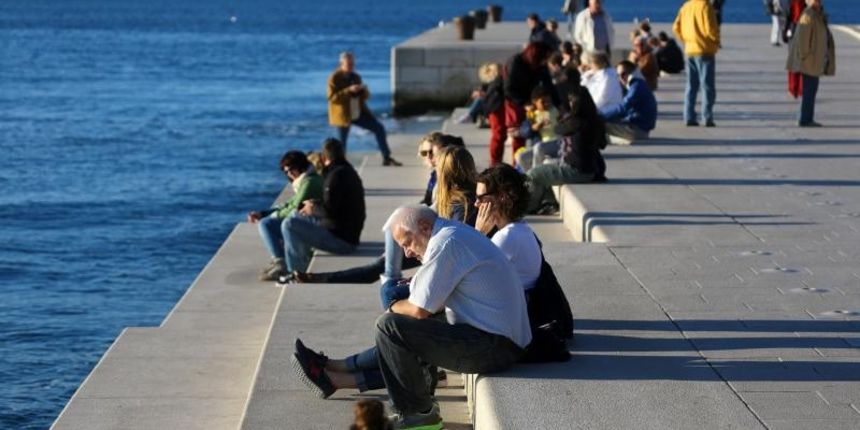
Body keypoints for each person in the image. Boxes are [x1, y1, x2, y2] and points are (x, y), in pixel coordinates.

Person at [291, 168, 540, 403]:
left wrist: (392, 305)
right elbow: (428, 301)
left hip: (496, 347)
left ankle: (415, 413)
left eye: (407, 241)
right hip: (502, 339)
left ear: (424, 227)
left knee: (391, 326)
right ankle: (336, 371)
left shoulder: (446, 243)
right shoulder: (451, 234)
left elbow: (420, 309)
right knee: (405, 326)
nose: (407, 252)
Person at [291, 135, 470, 285]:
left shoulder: (459, 202)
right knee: (381, 261)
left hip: (433, 248)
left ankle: (388, 282)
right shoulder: (441, 184)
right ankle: (321, 278)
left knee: (383, 275)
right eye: (425, 153)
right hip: (430, 240)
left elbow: (454, 245)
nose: (429, 158)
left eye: (433, 154)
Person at [277, 138, 365, 281]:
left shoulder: (335, 176)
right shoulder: (346, 171)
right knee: (296, 215)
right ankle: (302, 263)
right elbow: (338, 205)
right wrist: (315, 204)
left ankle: (296, 273)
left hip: (343, 241)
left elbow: (331, 211)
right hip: (345, 232)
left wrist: (314, 207)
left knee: (289, 225)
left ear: (324, 157)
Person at [527, 86, 607, 214]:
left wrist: (565, 115)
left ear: (576, 103)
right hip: (589, 168)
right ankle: (549, 202)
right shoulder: (596, 119)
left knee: (534, 174)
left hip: (576, 170)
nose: (568, 104)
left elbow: (558, 129)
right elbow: (603, 144)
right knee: (545, 166)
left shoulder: (576, 121)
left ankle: (529, 207)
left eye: (570, 101)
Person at [248, 151, 325, 281]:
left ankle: (281, 263)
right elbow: (288, 204)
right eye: (286, 172)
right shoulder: (306, 180)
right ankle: (280, 261)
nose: (289, 174)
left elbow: (294, 207)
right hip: (312, 223)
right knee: (269, 221)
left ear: (300, 166)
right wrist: (264, 213)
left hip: (316, 227)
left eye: (291, 170)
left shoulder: (310, 183)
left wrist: (270, 216)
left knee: (266, 224)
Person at [327, 51, 401, 166]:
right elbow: (332, 98)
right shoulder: (334, 78)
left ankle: (386, 157)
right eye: (348, 64)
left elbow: (365, 97)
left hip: (358, 113)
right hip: (343, 116)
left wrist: (362, 90)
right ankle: (339, 165)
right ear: (341, 64)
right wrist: (348, 90)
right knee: (341, 143)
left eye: (352, 64)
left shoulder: (356, 76)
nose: (351, 66)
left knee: (379, 128)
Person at [501, 42, 557, 167]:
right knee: (519, 136)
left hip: (534, 102)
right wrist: (524, 103)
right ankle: (517, 166)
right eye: (544, 57)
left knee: (536, 133)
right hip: (516, 102)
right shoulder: (516, 62)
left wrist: (559, 105)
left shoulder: (540, 65)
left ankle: (532, 164)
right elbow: (508, 89)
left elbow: (549, 85)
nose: (546, 61)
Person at [786, 0, 835, 127]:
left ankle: (807, 117)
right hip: (810, 61)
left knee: (811, 90)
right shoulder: (808, 16)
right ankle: (804, 118)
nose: (819, 2)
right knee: (809, 90)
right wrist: (804, 57)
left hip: (815, 60)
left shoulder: (817, 15)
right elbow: (802, 40)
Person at [673, 0, 720, 127]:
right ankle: (707, 117)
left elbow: (676, 27)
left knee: (691, 85)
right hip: (704, 50)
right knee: (707, 86)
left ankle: (688, 116)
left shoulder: (686, 6)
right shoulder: (705, 6)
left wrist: (685, 39)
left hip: (690, 50)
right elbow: (710, 28)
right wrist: (716, 41)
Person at [601, 60, 658, 145]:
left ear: (632, 73)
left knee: (597, 123)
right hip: (638, 127)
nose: (621, 78)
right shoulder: (637, 84)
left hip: (638, 130)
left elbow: (623, 107)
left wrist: (599, 115)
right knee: (604, 121)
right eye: (618, 75)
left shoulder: (637, 86)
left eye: (624, 74)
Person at [517, 87, 561, 170]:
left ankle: (536, 175)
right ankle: (528, 177)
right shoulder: (532, 115)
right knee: (521, 157)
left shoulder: (556, 111)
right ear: (535, 102)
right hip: (540, 145)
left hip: (556, 143)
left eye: (548, 101)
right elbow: (523, 132)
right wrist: (533, 127)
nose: (547, 104)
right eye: (543, 102)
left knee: (539, 147)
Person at [784, 0, 807, 98]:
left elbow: (788, 14)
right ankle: (801, 88)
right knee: (803, 59)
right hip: (805, 28)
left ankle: (793, 87)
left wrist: (785, 30)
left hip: (794, 27)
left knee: (793, 59)